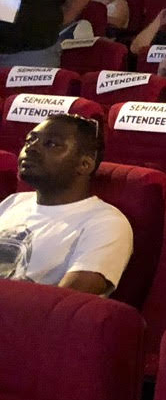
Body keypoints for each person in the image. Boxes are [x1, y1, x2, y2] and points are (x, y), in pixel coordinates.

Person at [0, 114, 132, 296]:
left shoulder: (106, 223)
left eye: (51, 144)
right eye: (30, 140)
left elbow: (63, 304)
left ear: (85, 164)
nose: (30, 148)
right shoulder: (12, 202)